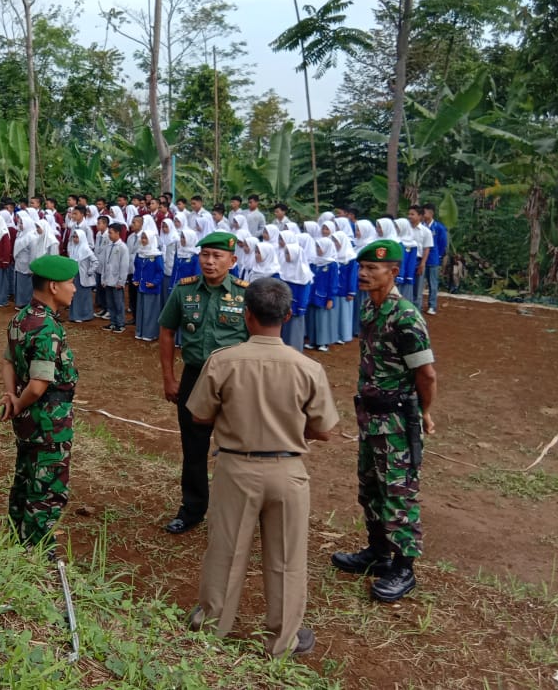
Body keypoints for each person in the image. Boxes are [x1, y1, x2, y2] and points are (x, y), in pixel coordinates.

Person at [185, 278, 338, 657]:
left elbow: (200, 416)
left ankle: (211, 626)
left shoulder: (223, 361)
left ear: (246, 315)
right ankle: (282, 640)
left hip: (237, 468)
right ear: (287, 316)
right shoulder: (309, 368)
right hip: (288, 471)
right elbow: (325, 429)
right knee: (287, 558)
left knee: (226, 550)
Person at [330, 239, 437, 603]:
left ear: (392, 272)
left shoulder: (405, 316)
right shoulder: (368, 309)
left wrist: (424, 413)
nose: (364, 273)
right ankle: (378, 553)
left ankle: (404, 568)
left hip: (395, 422)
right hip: (370, 418)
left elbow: (426, 374)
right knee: (370, 488)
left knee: (398, 492)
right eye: (361, 267)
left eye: (372, 268)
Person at [158, 232, 249, 534]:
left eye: (217, 256)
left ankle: (235, 513)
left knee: (236, 449)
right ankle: (192, 509)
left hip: (234, 383)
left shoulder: (244, 294)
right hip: (195, 377)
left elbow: (257, 340)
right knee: (194, 447)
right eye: (204, 255)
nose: (209, 262)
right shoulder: (184, 291)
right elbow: (167, 330)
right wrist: (169, 377)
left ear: (232, 261)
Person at [0, 254, 80, 548]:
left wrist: (11, 396)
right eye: (71, 283)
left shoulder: (21, 317)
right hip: (49, 419)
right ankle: (36, 546)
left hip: (29, 418)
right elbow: (39, 383)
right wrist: (19, 402)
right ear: (54, 287)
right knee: (47, 485)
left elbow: (8, 362)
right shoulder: (46, 327)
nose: (74, 289)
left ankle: (16, 537)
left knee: (26, 476)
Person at [422, 203, 447, 315]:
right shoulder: (421, 226)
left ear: (431, 213)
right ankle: (417, 304)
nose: (422, 214)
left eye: (424, 212)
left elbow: (442, 243)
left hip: (433, 259)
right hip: (421, 258)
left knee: (433, 283)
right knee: (420, 283)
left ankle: (432, 305)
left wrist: (438, 255)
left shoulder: (438, 227)